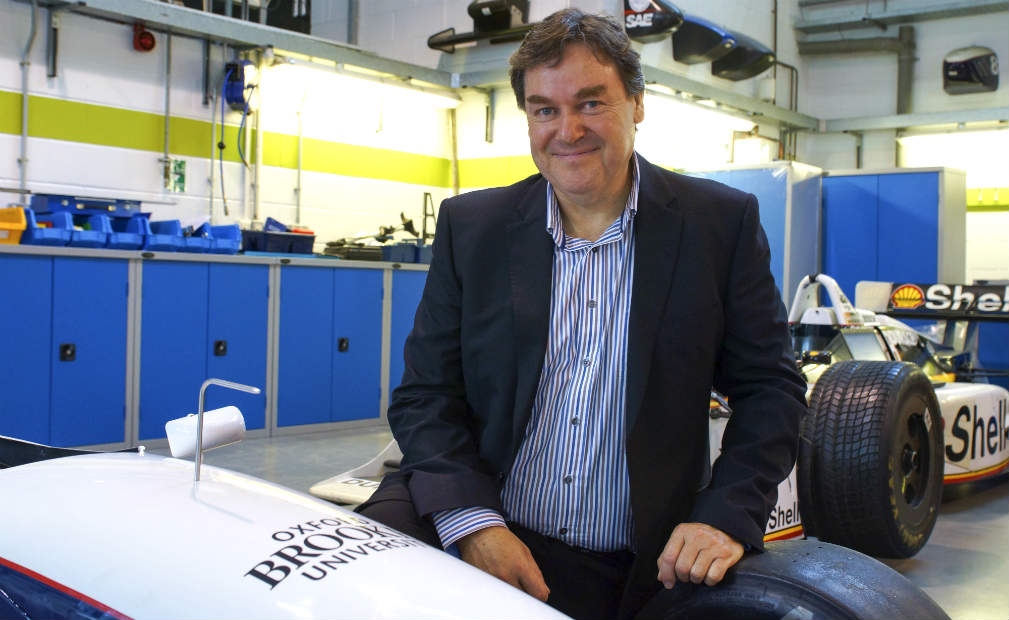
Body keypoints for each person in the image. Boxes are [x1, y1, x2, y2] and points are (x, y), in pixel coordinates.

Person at [357, 8, 806, 619]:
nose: (567, 130)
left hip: (629, 563)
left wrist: (726, 514)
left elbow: (771, 389)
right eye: (544, 110)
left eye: (591, 103)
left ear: (637, 103)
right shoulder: (474, 227)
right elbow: (425, 394)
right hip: (471, 518)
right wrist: (474, 524)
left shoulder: (718, 226)